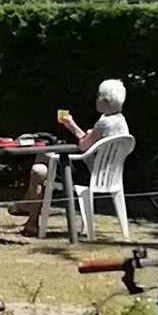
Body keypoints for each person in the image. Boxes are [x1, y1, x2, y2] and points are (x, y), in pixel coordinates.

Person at [20, 78, 130, 238]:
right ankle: (27, 208)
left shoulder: (104, 123)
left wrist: (72, 126)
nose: (96, 99)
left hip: (89, 174)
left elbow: (84, 146)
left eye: (98, 96)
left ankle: (30, 216)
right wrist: (72, 126)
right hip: (107, 175)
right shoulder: (121, 122)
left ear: (105, 101)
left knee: (39, 169)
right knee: (42, 162)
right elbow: (88, 142)